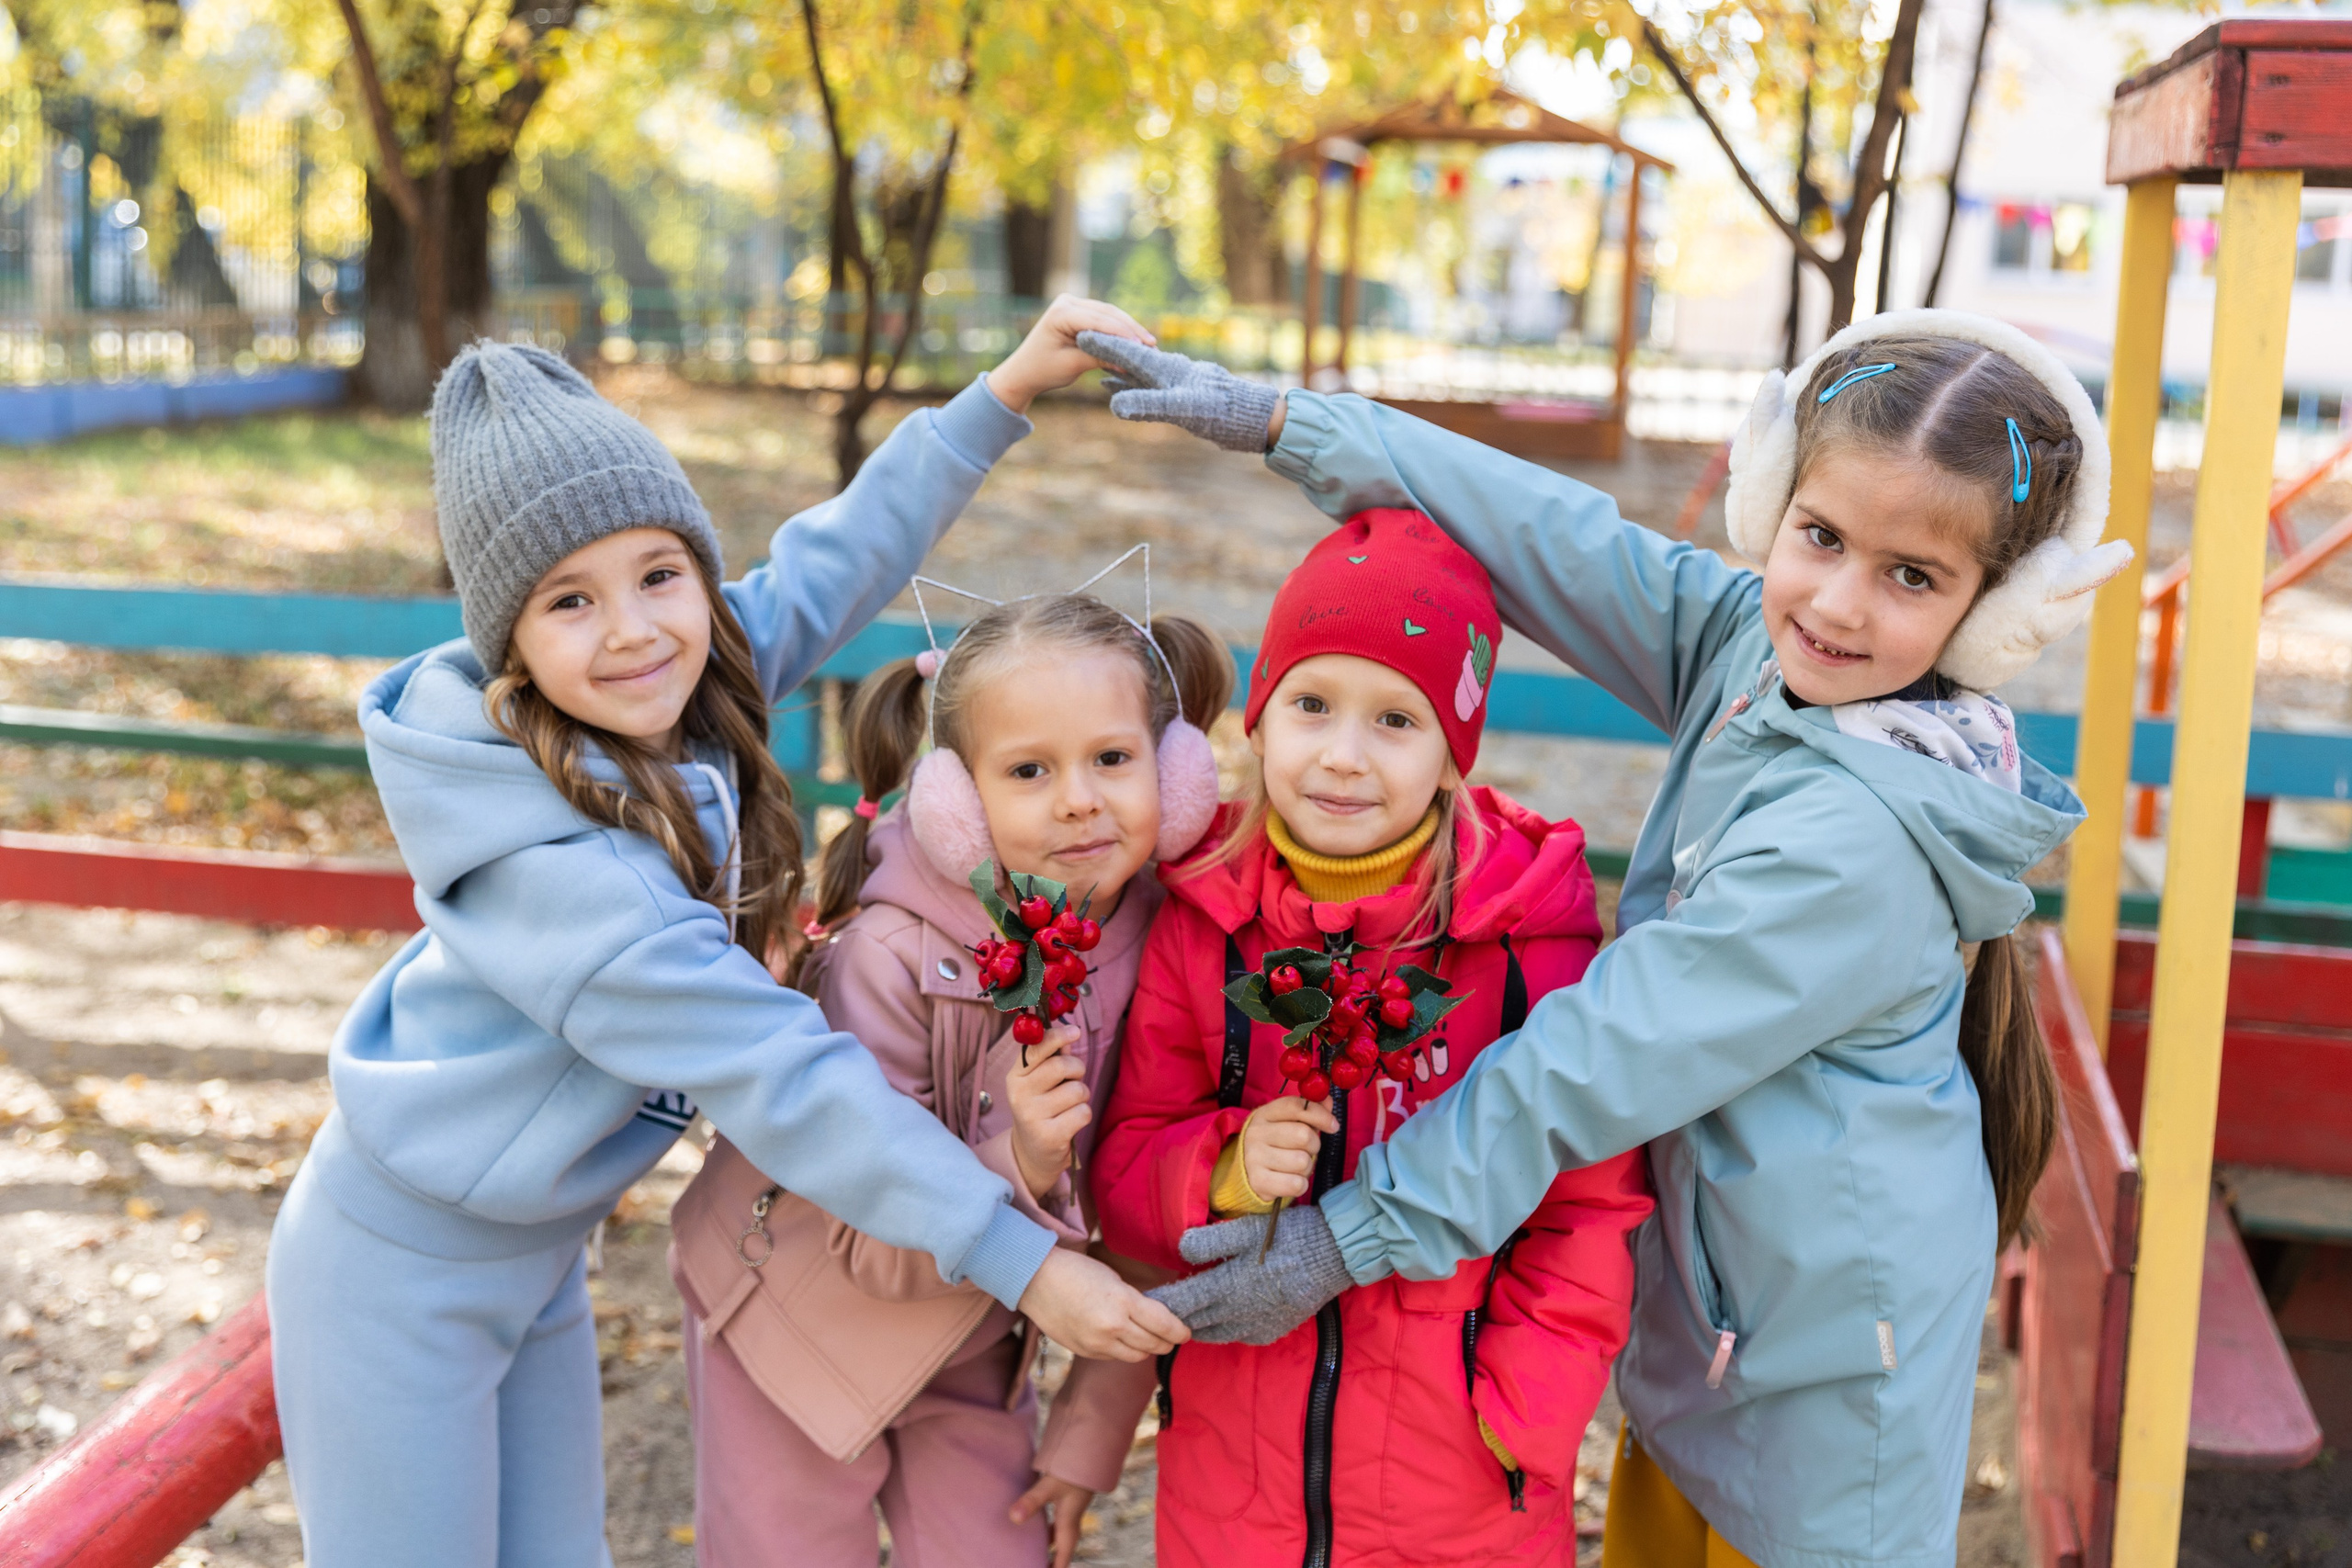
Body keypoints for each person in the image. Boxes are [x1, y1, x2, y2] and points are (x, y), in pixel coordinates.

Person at [1082, 310, 2131, 1568]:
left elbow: (1585, 1059)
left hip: (1822, 1387)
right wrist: (1292, 425)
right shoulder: (1762, 651)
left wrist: (1338, 1241)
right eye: (1822, 535)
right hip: (1723, 1323)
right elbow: (1551, 537)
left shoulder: (1854, 848)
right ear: (1769, 500)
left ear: (1990, 611)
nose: (1840, 600)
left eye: (1914, 575)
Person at [265, 303, 1188, 1568]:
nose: (636, 627)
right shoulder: (573, 892)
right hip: (398, 1273)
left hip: (536, 1249)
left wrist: (1006, 391)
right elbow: (785, 1075)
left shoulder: (673, 697)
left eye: (660, 571)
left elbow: (831, 562)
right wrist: (1024, 1259)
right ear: (512, 644)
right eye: (570, 599)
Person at [1093, 510, 1653, 1567]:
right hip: (1233, 1485)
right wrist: (1220, 1169)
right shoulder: (1202, 925)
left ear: (1453, 754)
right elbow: (1120, 1170)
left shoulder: (1526, 946)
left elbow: (1590, 1200)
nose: (1343, 757)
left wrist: (1518, 1414)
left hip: (1462, 1491)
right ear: (1259, 721)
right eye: (1311, 704)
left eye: (1396, 721)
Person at [668, 590, 1231, 1568]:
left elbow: (1155, 1204)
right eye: (1027, 771)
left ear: (1175, 770)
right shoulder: (885, 955)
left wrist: (1087, 1435)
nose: (1078, 800)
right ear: (956, 800)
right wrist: (1014, 1155)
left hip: (974, 1342)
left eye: (1112, 758)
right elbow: (871, 1234)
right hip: (790, 1326)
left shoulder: (1177, 946)